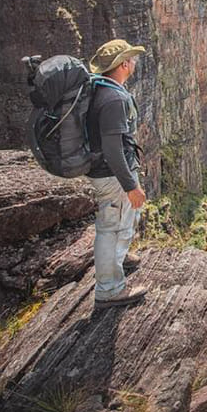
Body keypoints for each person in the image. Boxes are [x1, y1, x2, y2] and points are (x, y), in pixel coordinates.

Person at [87, 39, 149, 308]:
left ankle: (119, 258)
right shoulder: (113, 99)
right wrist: (130, 185)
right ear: (123, 64)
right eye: (131, 59)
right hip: (112, 176)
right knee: (111, 228)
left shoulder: (101, 89)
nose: (134, 62)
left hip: (107, 172)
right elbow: (112, 149)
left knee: (122, 221)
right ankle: (110, 289)